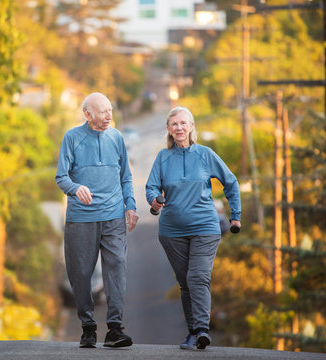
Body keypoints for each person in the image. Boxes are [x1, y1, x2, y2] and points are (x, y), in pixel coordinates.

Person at [145, 106, 241, 350]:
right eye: (174, 124)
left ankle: (201, 330)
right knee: (186, 282)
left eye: (183, 123)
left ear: (191, 127)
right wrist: (155, 200)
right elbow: (151, 188)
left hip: (205, 227)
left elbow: (230, 182)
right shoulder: (162, 158)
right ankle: (193, 332)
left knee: (197, 276)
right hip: (171, 232)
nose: (179, 127)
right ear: (168, 129)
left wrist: (235, 216)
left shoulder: (205, 154)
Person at [56, 92, 139, 348]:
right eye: (102, 112)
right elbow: (61, 177)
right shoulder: (72, 138)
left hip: (113, 216)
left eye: (110, 110)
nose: (108, 116)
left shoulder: (116, 137)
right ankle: (88, 327)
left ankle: (114, 329)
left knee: (117, 271)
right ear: (87, 114)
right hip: (82, 218)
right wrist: (75, 188)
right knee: (81, 273)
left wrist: (131, 206)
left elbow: (125, 176)